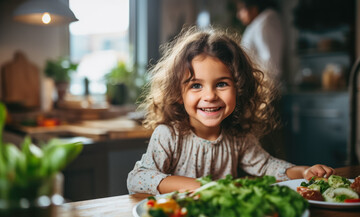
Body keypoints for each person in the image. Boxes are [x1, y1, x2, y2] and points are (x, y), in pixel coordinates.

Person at [127, 27, 335, 195]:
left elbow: (267, 167)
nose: (210, 96)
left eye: (222, 84)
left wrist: (303, 171)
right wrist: (202, 187)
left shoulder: (238, 137)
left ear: (240, 88)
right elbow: (138, 178)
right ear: (178, 93)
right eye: (196, 85)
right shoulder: (168, 136)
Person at [236, 0, 284, 85]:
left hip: (265, 86)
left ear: (253, 9)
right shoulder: (257, 24)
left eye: (241, 9)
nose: (238, 15)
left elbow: (270, 61)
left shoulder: (266, 22)